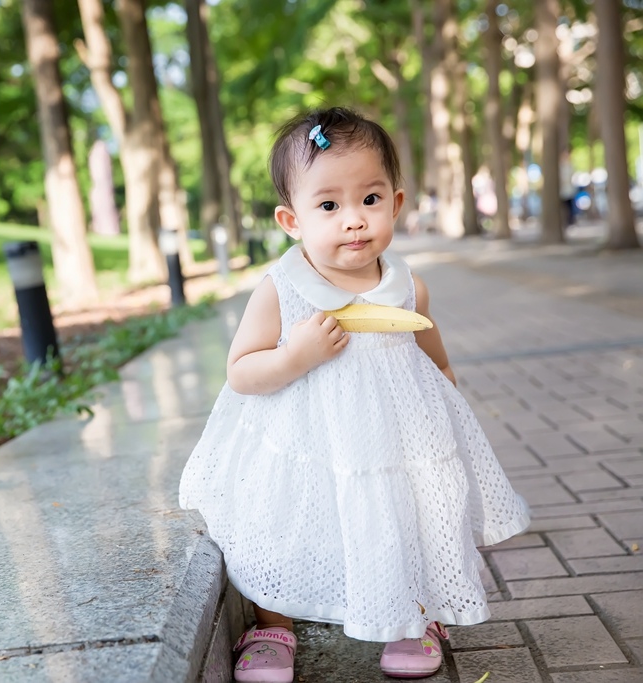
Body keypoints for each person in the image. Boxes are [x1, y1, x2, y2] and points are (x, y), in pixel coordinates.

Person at [178, 107, 531, 682]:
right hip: (307, 443)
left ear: (395, 203)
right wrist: (296, 355)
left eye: (369, 200)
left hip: (397, 438)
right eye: (328, 205)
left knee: (408, 515)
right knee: (287, 527)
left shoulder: (405, 285)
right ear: (292, 220)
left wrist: (443, 376)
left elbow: (425, 338)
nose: (353, 221)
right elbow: (241, 370)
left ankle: (414, 616)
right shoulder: (283, 290)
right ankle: (275, 624)